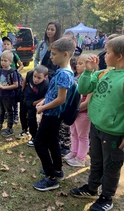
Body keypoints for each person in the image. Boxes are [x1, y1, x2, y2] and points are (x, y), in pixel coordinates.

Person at [70, 35, 124, 211]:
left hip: (115, 133)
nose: (103, 55)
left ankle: (106, 197)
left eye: (107, 52)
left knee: (112, 166)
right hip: (97, 126)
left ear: (119, 56)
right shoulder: (103, 73)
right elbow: (83, 89)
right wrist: (88, 71)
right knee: (96, 160)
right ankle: (92, 188)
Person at [33, 37, 76, 191]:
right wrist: (43, 101)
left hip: (53, 114)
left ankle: (51, 178)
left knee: (39, 143)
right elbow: (53, 94)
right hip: (51, 112)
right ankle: (57, 170)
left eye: (54, 54)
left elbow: (61, 99)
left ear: (65, 54)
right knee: (52, 142)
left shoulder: (65, 74)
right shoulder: (62, 71)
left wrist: (43, 108)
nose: (50, 56)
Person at [64, 54, 93, 167]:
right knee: (73, 133)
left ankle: (81, 158)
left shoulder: (91, 80)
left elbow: (87, 102)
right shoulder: (76, 78)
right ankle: (74, 152)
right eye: (77, 63)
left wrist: (75, 110)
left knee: (82, 135)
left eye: (81, 64)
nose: (77, 65)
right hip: (74, 113)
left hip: (83, 114)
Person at [16, 65, 49, 146]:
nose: (35, 79)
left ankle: (34, 137)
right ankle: (24, 130)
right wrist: (22, 91)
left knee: (32, 119)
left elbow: (46, 98)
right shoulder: (30, 73)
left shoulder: (46, 85)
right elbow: (25, 81)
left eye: (39, 78)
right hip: (26, 97)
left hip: (35, 101)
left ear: (45, 77)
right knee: (22, 114)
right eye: (35, 76)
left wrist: (35, 103)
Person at [0, 51, 18, 137]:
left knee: (9, 111)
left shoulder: (12, 72)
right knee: (1, 110)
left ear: (10, 62)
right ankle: (0, 124)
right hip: (0, 94)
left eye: (5, 61)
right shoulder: (0, 70)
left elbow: (15, 85)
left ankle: (9, 128)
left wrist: (4, 87)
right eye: (2, 60)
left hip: (9, 96)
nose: (3, 62)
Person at [1, 36, 24, 123]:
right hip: (5, 80)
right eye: (4, 44)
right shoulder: (2, 56)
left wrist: (15, 71)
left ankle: (15, 115)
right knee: (6, 97)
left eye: (8, 44)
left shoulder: (14, 55)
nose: (6, 46)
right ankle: (8, 112)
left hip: (13, 79)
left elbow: (21, 65)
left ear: (11, 46)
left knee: (14, 98)